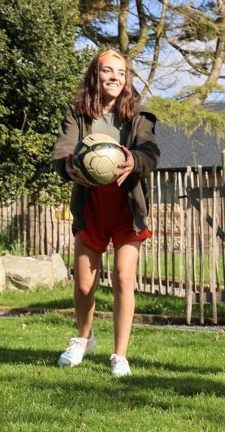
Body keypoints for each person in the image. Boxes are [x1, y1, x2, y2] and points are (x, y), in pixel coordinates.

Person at [51, 49, 159, 378]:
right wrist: (69, 165)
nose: (115, 77)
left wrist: (135, 161)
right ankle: (84, 338)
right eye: (107, 71)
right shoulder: (77, 114)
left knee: (124, 278)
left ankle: (119, 355)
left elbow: (150, 152)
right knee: (85, 285)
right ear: (95, 76)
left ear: (127, 80)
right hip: (92, 205)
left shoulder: (139, 116)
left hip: (127, 206)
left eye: (121, 73)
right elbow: (62, 150)